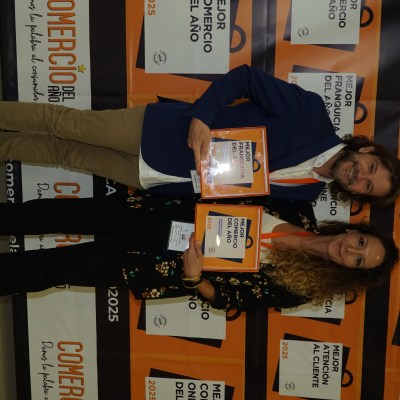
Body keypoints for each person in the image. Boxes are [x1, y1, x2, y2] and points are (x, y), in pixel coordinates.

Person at [1, 65, 399, 204]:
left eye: (367, 186)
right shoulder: (311, 115)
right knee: (64, 124)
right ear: (367, 150)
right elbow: (246, 78)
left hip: (160, 179)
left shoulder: (307, 194)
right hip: (159, 133)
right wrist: (203, 118)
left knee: (67, 156)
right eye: (370, 169)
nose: (359, 176)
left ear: (359, 195)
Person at [0, 195, 397, 311]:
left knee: (54, 268)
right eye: (361, 243)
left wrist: (195, 279)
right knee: (53, 212)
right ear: (354, 230)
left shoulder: (299, 288)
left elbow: (231, 300)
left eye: (358, 260)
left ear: (351, 271)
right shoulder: (298, 209)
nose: (351, 250)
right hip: (159, 214)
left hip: (161, 264)